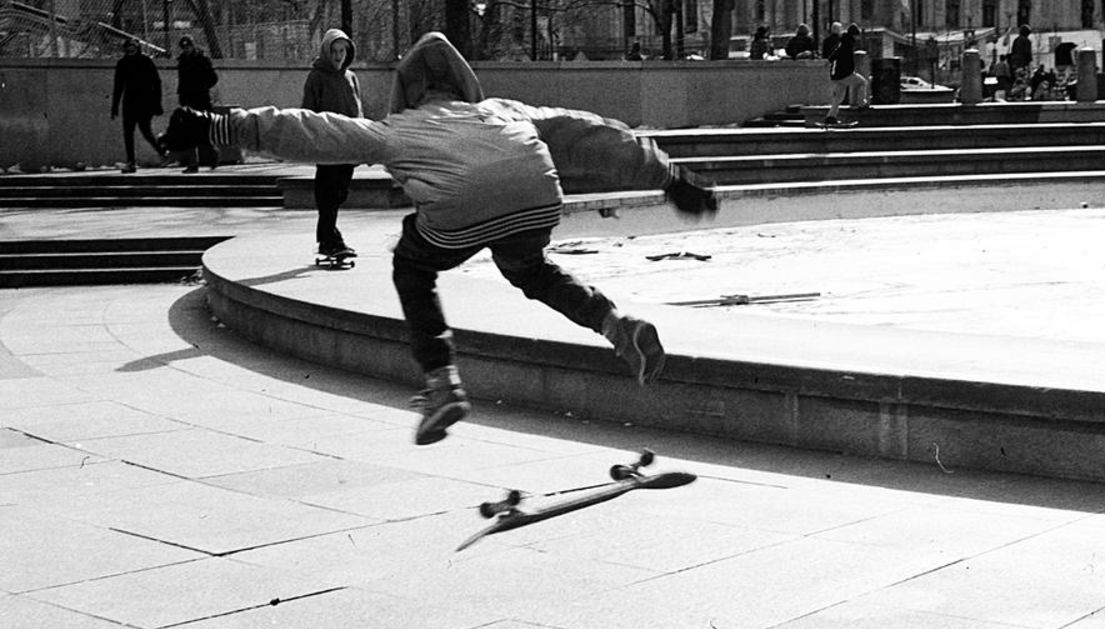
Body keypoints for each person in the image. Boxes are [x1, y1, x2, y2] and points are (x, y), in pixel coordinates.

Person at [158, 32, 718, 445]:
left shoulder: (395, 128)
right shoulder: (505, 110)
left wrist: (219, 124)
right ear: (464, 83)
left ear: (407, 91)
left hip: (456, 209)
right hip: (534, 196)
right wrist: (669, 177)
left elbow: (314, 130)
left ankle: (441, 382)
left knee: (412, 265)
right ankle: (617, 325)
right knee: (530, 270)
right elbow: (589, 133)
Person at [302, 28, 363, 259]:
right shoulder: (317, 77)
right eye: (335, 51)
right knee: (328, 193)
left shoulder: (351, 77)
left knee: (340, 193)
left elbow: (358, 110)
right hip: (327, 146)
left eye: (342, 51)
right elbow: (307, 112)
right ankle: (328, 239)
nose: (339, 56)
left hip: (347, 146)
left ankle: (329, 237)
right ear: (327, 53)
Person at [110, 38, 164, 173]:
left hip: (144, 102)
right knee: (128, 133)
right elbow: (118, 85)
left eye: (133, 47)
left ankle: (163, 151)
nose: (130, 50)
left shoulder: (145, 61)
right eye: (128, 47)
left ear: (137, 48)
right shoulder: (122, 63)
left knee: (145, 130)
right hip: (129, 102)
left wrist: (157, 103)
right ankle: (131, 162)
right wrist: (115, 105)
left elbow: (156, 83)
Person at [175, 34, 219, 173]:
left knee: (203, 132)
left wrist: (201, 87)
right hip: (188, 100)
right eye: (184, 47)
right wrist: (181, 97)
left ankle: (212, 156)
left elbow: (213, 78)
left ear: (193, 46)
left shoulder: (202, 60)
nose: (186, 49)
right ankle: (193, 163)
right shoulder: (182, 61)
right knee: (189, 133)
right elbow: (182, 80)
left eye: (188, 46)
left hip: (201, 100)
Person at [822, 24, 868, 125]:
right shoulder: (848, 43)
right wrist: (851, 70)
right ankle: (861, 103)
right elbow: (843, 56)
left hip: (837, 75)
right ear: (854, 35)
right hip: (845, 74)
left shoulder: (843, 41)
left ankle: (830, 117)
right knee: (862, 82)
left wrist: (829, 61)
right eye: (857, 35)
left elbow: (836, 52)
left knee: (838, 98)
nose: (858, 38)